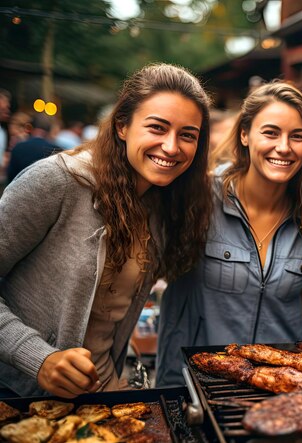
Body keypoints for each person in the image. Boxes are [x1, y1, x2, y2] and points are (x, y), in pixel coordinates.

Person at [0, 63, 213, 398]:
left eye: (188, 135)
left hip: (104, 396)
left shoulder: (166, 203)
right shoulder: (58, 182)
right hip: (20, 396)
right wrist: (38, 358)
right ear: (122, 126)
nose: (172, 147)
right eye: (157, 128)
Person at [156, 81, 302, 386]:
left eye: (297, 137)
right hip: (196, 385)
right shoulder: (197, 199)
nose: (284, 147)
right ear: (245, 134)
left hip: (279, 388)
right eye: (271, 132)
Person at [6, 113, 62, 183]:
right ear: (49, 130)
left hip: (21, 191)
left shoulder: (18, 147)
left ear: (30, 128)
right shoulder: (56, 151)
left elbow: (10, 176)